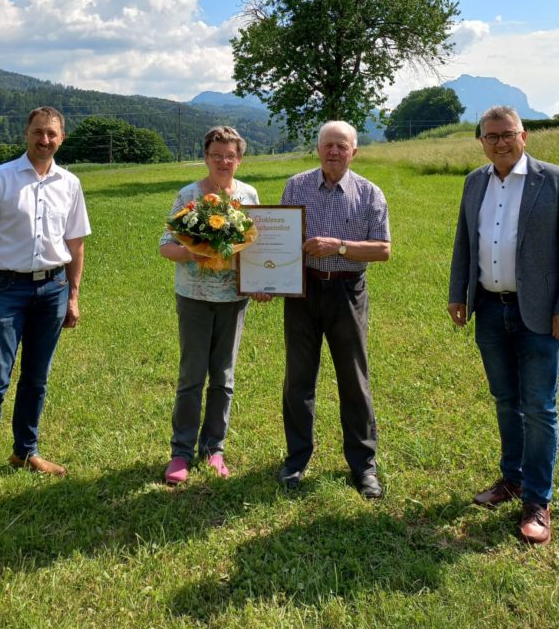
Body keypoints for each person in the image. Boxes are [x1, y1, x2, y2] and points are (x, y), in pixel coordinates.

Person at [448, 105, 559, 544]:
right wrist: (459, 293)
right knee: (505, 399)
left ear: (524, 135)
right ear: (481, 141)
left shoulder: (558, 181)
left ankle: (537, 500)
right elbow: (464, 242)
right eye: (491, 136)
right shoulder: (475, 182)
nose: (500, 142)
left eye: (507, 134)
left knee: (540, 407)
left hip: (542, 315)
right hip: (490, 309)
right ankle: (511, 479)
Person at [0, 107, 91, 514]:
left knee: (36, 379)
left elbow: (76, 244)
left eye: (52, 134)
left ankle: (25, 452)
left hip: (53, 289)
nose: (45, 140)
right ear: (26, 134)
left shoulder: (70, 183)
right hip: (6, 291)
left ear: (62, 138)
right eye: (38, 132)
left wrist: (72, 295)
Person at [278, 121, 391, 499]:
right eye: (327, 145)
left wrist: (339, 246)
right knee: (298, 379)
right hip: (303, 291)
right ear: (317, 149)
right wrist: (266, 280)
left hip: (347, 291)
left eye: (341, 146)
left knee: (354, 380)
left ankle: (363, 466)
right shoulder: (296, 186)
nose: (333, 152)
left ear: (354, 151)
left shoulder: (370, 194)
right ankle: (295, 460)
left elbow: (383, 250)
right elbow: (278, 237)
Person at [160, 126, 270, 485]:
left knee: (223, 377)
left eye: (230, 155)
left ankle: (214, 448)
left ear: (239, 159)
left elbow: (259, 249)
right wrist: (192, 252)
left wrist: (262, 282)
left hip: (234, 299)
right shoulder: (188, 195)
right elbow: (166, 246)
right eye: (216, 155)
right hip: (193, 296)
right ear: (205, 157)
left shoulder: (249, 195)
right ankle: (181, 451)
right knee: (191, 376)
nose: (223, 161)